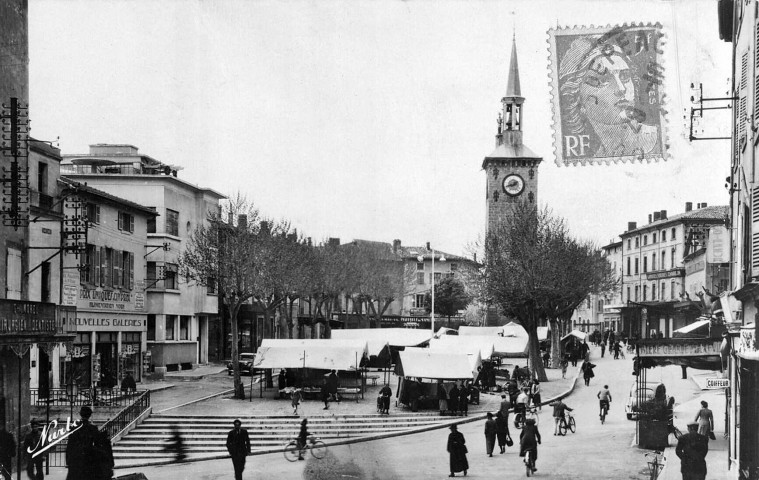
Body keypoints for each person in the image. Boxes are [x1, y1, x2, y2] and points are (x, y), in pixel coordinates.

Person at [558, 38, 661, 160]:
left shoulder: (659, 140)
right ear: (575, 99)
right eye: (600, 80)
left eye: (625, 76)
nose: (621, 88)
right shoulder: (596, 159)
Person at [66, 406, 100, 480]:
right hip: (89, 459)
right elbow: (98, 445)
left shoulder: (74, 428)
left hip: (76, 459)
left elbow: (70, 445)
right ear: (90, 415)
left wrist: (68, 460)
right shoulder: (93, 428)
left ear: (80, 414)